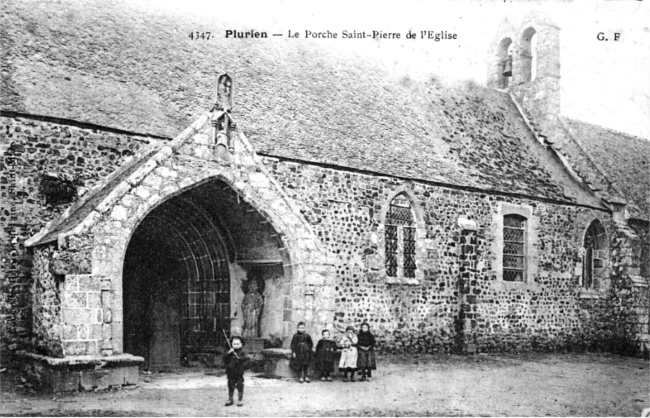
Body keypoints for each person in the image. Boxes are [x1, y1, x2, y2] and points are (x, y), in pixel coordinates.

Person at [223, 336, 249, 407]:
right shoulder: (230, 351)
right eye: (234, 344)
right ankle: (230, 399)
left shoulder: (243, 352)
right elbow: (224, 359)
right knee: (230, 385)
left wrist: (239, 358)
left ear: (241, 344)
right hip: (230, 372)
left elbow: (246, 358)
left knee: (240, 384)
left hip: (239, 372)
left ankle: (240, 399)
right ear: (231, 344)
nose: (236, 346)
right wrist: (228, 353)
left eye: (238, 344)